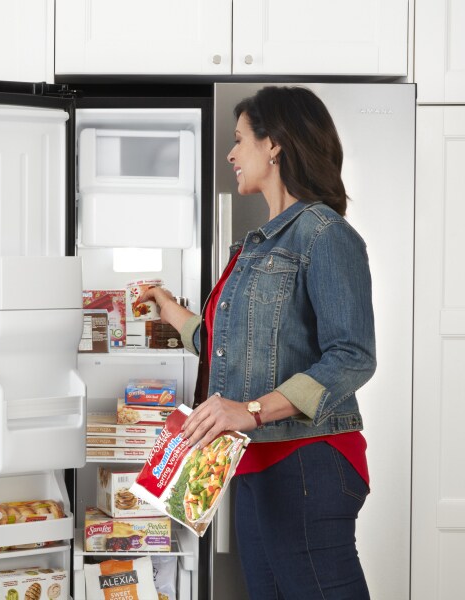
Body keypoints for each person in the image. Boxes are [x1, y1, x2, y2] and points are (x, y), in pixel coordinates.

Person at [138, 86, 374, 599]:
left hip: (308, 463)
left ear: (275, 145)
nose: (231, 154)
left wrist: (251, 409)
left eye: (240, 139)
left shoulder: (324, 234)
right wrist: (168, 307)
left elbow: (353, 356)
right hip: (251, 465)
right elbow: (229, 346)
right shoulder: (257, 244)